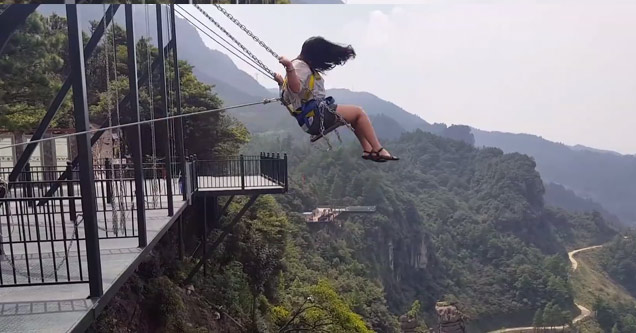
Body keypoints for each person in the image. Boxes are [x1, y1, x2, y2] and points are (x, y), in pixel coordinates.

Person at [275, 36, 398, 162]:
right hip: (316, 115)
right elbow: (296, 88)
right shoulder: (299, 66)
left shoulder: (299, 67)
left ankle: (367, 150)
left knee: (354, 118)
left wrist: (281, 84)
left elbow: (288, 98)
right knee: (359, 112)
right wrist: (289, 67)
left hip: (309, 120)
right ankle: (378, 149)